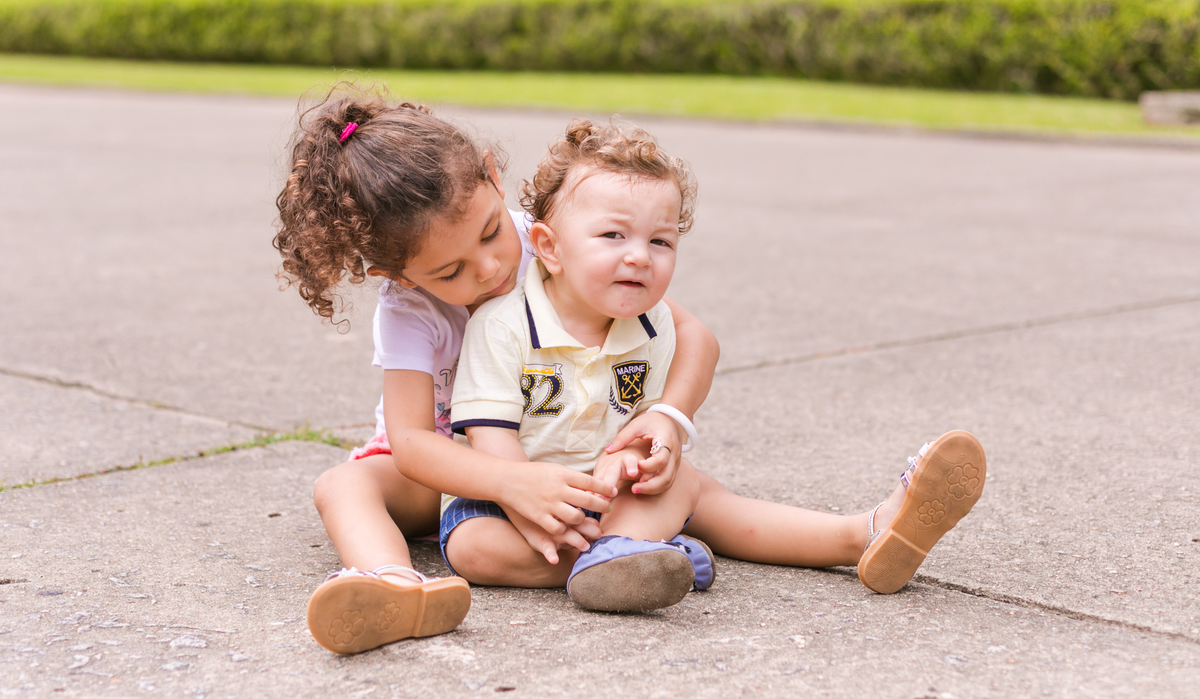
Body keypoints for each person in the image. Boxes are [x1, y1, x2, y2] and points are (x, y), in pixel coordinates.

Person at [442, 119, 988, 609]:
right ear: (550, 248)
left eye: (661, 240)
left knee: (681, 484)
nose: (639, 255)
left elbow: (642, 424)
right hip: (512, 504)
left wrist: (648, 452)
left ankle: (867, 532)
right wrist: (528, 502)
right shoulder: (503, 325)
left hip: (614, 500)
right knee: (473, 548)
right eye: (613, 235)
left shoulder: (652, 325)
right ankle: (636, 557)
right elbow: (493, 443)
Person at [273, 84, 720, 653]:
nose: (488, 268)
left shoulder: (549, 243)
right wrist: (509, 483)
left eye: (490, 231)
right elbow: (411, 443)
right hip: (455, 472)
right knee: (343, 484)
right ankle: (395, 585)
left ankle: (841, 534)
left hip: (560, 446)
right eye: (451, 270)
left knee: (694, 489)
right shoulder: (409, 310)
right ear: (398, 274)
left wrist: (669, 415)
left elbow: (694, 337)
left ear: (492, 177)